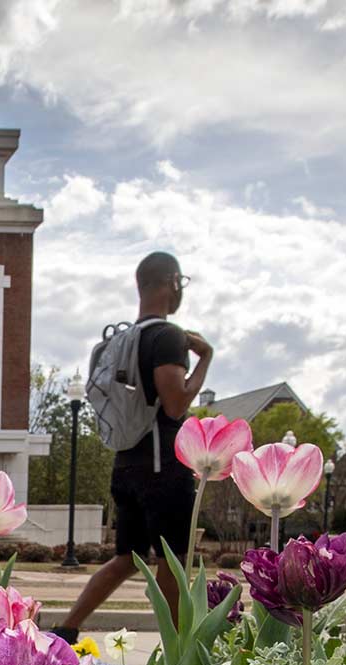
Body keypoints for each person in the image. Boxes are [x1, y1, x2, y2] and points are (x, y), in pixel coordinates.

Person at [50, 251, 212, 641]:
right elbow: (175, 403)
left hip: (125, 462)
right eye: (180, 283)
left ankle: (66, 628)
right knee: (174, 560)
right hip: (162, 463)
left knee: (127, 557)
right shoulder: (166, 337)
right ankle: (178, 647)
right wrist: (206, 357)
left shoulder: (120, 341)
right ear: (171, 282)